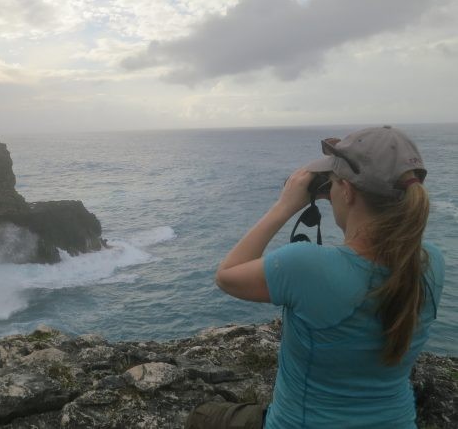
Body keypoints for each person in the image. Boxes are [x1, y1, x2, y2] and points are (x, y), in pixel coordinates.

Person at [186, 126, 445, 428]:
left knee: (202, 416)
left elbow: (227, 275)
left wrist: (284, 205)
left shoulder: (306, 267)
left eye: (333, 184)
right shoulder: (430, 263)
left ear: (347, 191)